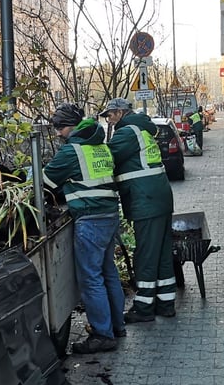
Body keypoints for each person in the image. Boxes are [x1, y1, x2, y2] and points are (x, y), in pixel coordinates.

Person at [42, 103, 127, 353]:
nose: (57, 133)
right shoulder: (99, 144)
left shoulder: (71, 151)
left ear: (72, 126)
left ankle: (103, 334)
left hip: (90, 219)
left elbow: (43, 182)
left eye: (60, 127)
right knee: (108, 272)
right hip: (109, 214)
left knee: (91, 279)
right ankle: (116, 326)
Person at [100, 98, 177, 322]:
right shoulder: (142, 129)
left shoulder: (127, 133)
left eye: (110, 115)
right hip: (159, 197)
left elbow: (107, 158)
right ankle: (165, 303)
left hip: (146, 200)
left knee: (146, 253)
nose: (109, 121)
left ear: (120, 113)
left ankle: (143, 308)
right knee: (162, 251)